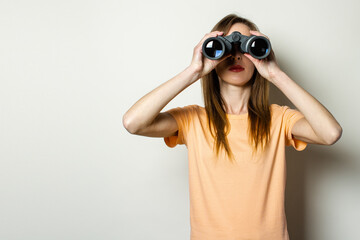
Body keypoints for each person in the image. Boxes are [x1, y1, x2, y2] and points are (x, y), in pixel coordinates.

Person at [122, 13, 342, 240]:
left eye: (246, 48)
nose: (236, 56)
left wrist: (275, 73)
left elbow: (331, 133)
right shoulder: (193, 120)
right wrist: (193, 72)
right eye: (226, 47)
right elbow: (133, 122)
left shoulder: (278, 119)